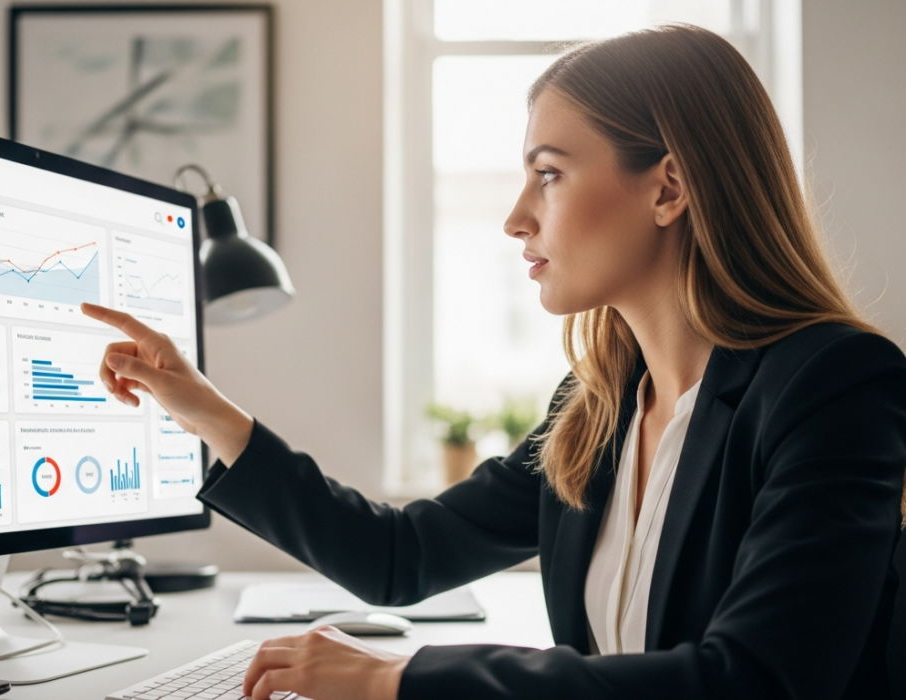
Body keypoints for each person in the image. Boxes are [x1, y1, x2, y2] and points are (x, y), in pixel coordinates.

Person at [82, 23, 906, 700]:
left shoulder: (832, 385)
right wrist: (195, 402)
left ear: (668, 188)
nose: (515, 218)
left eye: (548, 174)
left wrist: (403, 679)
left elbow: (755, 683)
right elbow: (400, 557)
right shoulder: (596, 409)